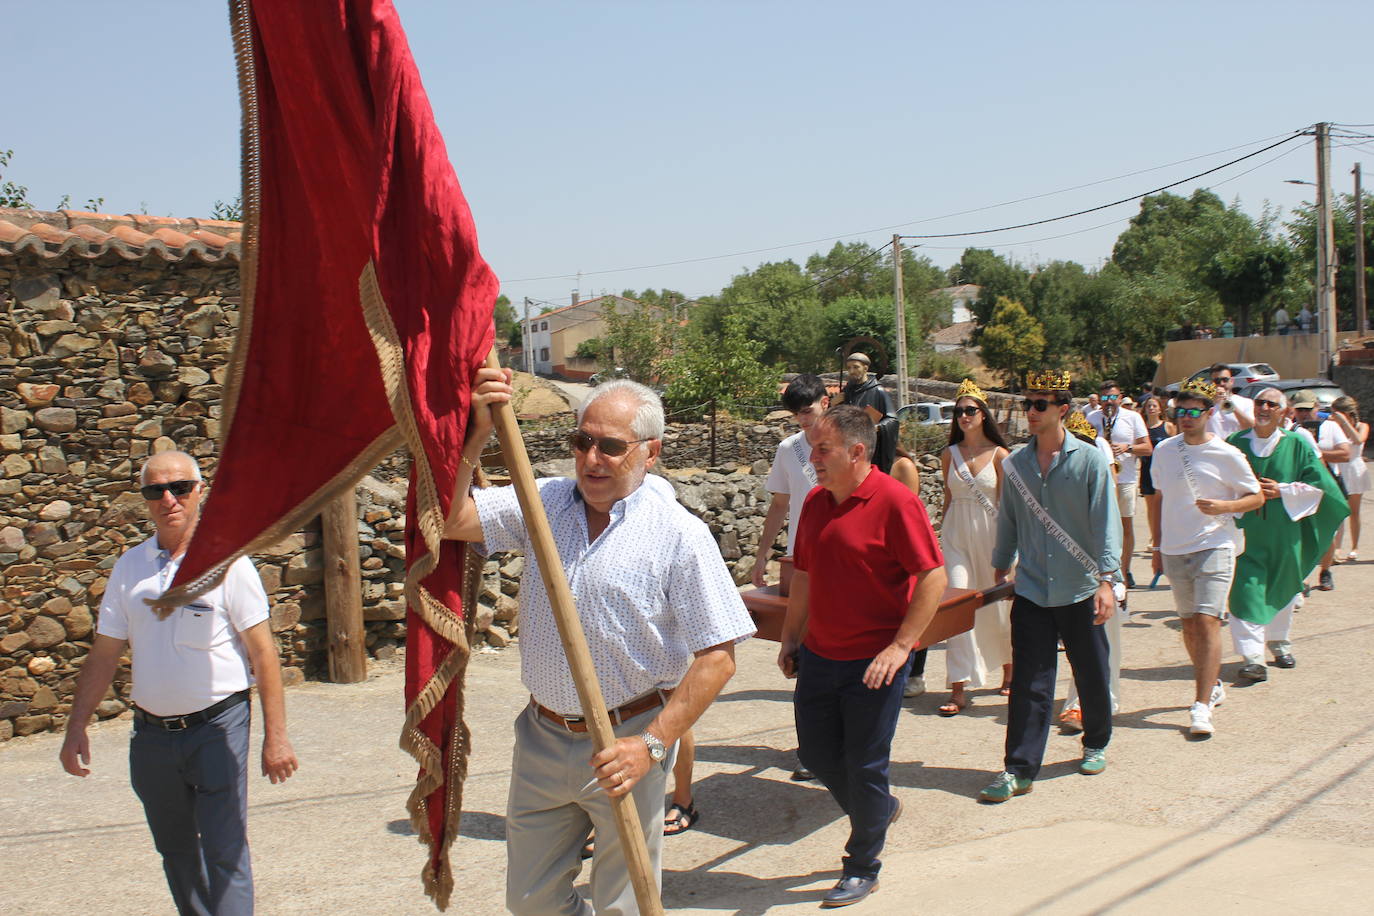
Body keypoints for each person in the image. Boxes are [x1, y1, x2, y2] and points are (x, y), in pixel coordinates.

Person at [443, 371, 755, 916]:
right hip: (542, 735)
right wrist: (478, 437)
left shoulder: (678, 533)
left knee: (624, 904)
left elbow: (719, 657)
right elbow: (451, 519)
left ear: (650, 452)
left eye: (611, 447)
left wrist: (651, 747)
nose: (591, 458)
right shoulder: (545, 502)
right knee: (531, 903)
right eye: (582, 441)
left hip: (627, 739)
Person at [60, 450, 298, 916]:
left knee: (224, 852)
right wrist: (76, 727)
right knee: (176, 853)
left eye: (180, 488)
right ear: (145, 500)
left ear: (199, 491)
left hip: (217, 728)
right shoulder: (129, 568)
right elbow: (105, 653)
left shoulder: (230, 562)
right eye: (155, 491)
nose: (168, 499)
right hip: (151, 738)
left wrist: (277, 738)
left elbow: (263, 653)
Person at [778, 405, 947, 907]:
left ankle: (862, 863)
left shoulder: (896, 502)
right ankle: (879, 810)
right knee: (815, 754)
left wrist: (901, 646)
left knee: (865, 765)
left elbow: (932, 576)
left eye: (822, 449)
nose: (812, 458)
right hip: (820, 656)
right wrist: (792, 637)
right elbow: (805, 575)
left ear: (856, 452)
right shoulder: (815, 502)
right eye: (811, 449)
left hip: (874, 663)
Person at [981, 370, 1121, 803]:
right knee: (1030, 682)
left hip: (1081, 588)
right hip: (1033, 589)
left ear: (1063, 409)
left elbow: (1105, 522)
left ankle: (1095, 739)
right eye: (1027, 403)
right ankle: (1018, 768)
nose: (1031, 412)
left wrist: (1106, 580)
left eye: (1040, 404)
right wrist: (1000, 565)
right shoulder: (1016, 463)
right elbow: (1007, 520)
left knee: (1092, 672)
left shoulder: (1091, 460)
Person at [1150, 380, 1263, 736]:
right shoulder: (1165, 450)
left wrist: (1226, 506)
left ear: (1209, 414)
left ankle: (1200, 706)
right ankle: (1211, 683)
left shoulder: (1227, 454)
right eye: (1180, 412)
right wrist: (1156, 546)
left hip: (1216, 544)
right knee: (1187, 624)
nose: (1185, 418)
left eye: (1193, 412)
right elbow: (1157, 499)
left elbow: (1256, 496)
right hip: (1175, 547)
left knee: (1207, 620)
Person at [1226, 388, 1348, 681]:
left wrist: (1281, 490)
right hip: (1247, 532)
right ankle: (1253, 657)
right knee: (1245, 592)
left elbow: (1321, 488)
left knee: (1284, 585)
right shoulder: (1234, 443)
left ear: (1284, 412)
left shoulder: (1298, 444)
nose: (1264, 408)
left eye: (1272, 404)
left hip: (1285, 532)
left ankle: (1279, 642)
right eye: (1259, 403)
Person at [751, 372, 829, 782]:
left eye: (810, 412)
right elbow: (781, 505)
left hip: (843, 564)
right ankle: (811, 750)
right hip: (802, 562)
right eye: (798, 416)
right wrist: (763, 554)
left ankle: (839, 745)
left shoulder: (846, 443)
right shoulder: (789, 450)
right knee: (803, 652)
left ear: (826, 402)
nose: (805, 422)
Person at [935, 379, 1011, 717]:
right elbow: (948, 499)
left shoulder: (1000, 455)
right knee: (959, 604)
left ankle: (1010, 669)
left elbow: (1008, 505)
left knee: (997, 606)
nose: (963, 416)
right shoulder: (948, 455)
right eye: (958, 411)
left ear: (983, 414)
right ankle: (959, 685)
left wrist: (1010, 549)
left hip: (992, 534)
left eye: (969, 410)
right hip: (956, 535)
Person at [1087, 380, 1152, 588]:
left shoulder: (1132, 417)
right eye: (1104, 398)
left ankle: (1124, 570)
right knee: (1099, 525)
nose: (1109, 402)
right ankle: (1103, 570)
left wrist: (1127, 448)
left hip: (1125, 479)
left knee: (1125, 526)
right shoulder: (1091, 418)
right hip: (1098, 480)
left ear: (1120, 397)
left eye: (1112, 397)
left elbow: (1148, 448)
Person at [1289, 390, 1351, 591]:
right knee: (1301, 533)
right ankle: (1301, 577)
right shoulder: (1290, 429)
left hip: (1327, 483)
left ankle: (1325, 571)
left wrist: (1314, 452)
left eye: (1308, 409)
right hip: (1300, 486)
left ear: (1316, 408)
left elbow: (1345, 453)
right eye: (1300, 410)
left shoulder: (1330, 427)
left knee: (1327, 532)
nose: (1304, 414)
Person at [837, 351, 898, 473]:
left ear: (865, 368)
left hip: (871, 450)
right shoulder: (847, 392)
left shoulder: (878, 391)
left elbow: (893, 420)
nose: (852, 371)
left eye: (856, 367)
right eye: (849, 368)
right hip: (850, 448)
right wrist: (833, 404)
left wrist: (876, 427)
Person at [1137, 395, 1176, 566]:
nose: (1151, 408)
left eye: (1154, 406)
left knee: (1168, 505)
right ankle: (1155, 537)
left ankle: (1168, 536)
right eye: (1148, 406)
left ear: (1160, 408)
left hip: (1166, 471)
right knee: (1151, 507)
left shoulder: (1168, 426)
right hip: (1147, 470)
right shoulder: (1142, 429)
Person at [1329, 396, 1370, 561]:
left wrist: (1344, 422)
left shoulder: (1362, 426)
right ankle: (1337, 548)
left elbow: (1358, 439)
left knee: (1354, 512)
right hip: (1339, 468)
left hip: (1354, 469)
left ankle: (1354, 547)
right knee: (1339, 511)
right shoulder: (1334, 427)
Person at [1205, 364, 1254, 439]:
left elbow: (1251, 428)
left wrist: (1228, 403)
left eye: (1225, 380)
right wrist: (1212, 403)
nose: (1221, 384)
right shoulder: (1204, 404)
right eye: (1217, 381)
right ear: (1212, 383)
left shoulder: (1246, 402)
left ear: (1231, 381)